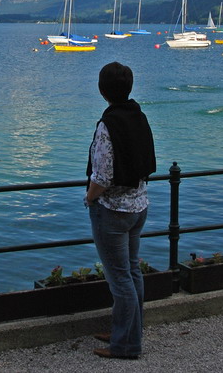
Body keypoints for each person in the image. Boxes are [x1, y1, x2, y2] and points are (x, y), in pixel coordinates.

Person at [84, 61, 156, 360]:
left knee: (120, 279)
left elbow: (102, 175)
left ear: (102, 90)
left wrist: (90, 199)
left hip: (112, 211)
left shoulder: (108, 124)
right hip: (138, 206)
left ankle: (126, 345)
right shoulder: (138, 115)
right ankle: (127, 330)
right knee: (132, 272)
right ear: (129, 87)